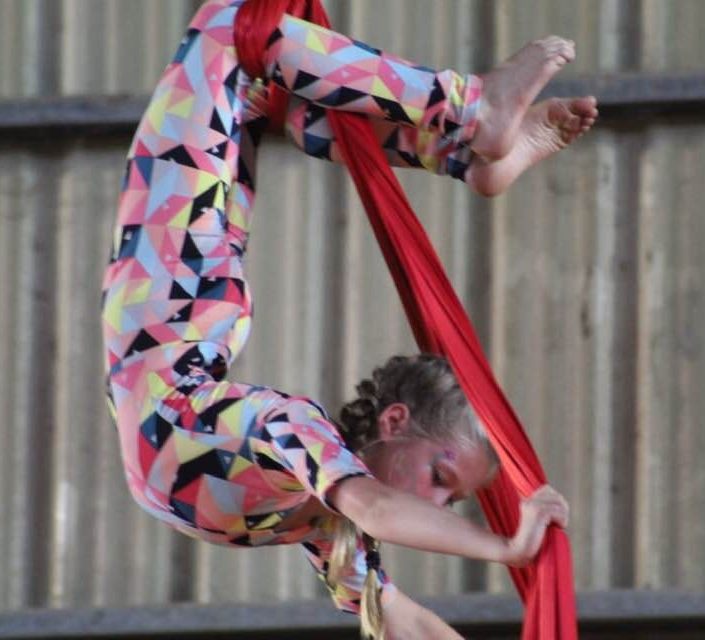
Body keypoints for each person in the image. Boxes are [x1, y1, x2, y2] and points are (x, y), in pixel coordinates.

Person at [101, 1, 594, 637]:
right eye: (440, 479)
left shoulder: (324, 510)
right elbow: (380, 509)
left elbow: (404, 621)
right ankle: (468, 127)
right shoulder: (299, 436)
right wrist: (506, 547)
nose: (437, 505)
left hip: (169, 298)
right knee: (266, 75)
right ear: (395, 421)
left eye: (449, 498)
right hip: (182, 291)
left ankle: (470, 140)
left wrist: (509, 553)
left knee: (235, 35)